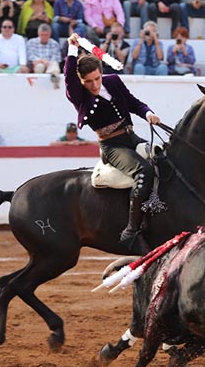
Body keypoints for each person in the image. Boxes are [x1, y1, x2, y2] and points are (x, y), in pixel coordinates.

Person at [64, 31, 161, 251]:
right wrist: (71, 50)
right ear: (82, 81)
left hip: (132, 137)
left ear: (101, 72)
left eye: (97, 78)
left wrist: (148, 114)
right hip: (112, 146)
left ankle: (157, 214)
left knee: (165, 158)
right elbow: (69, 78)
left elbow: (134, 103)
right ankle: (132, 229)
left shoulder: (114, 81)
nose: (95, 85)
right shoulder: (80, 96)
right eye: (88, 82)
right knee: (143, 171)